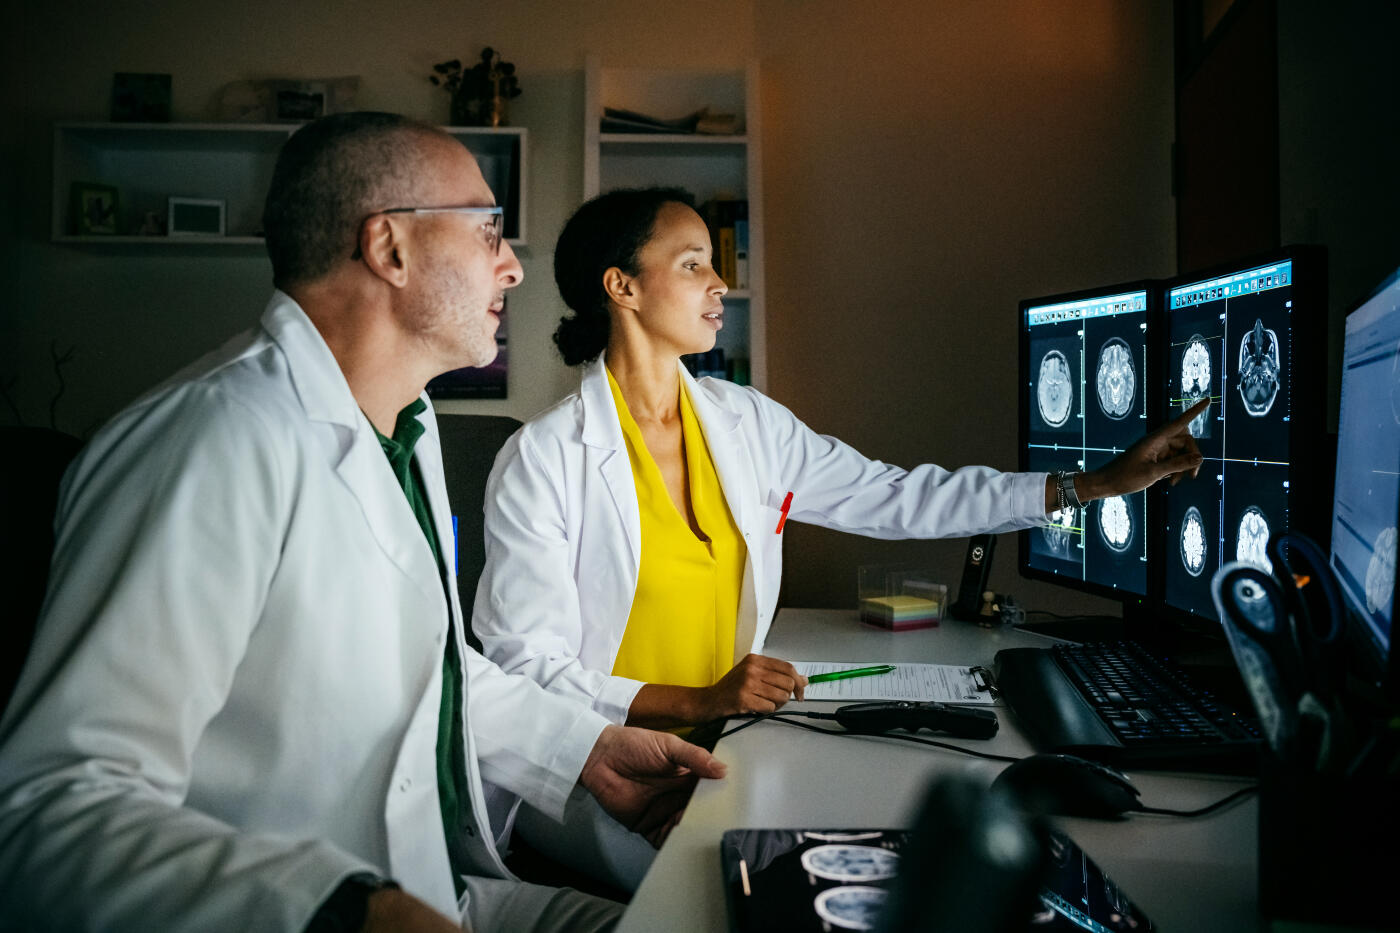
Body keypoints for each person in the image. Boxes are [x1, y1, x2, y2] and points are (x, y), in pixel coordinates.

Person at [0, 118, 726, 933]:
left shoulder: (403, 425)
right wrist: (354, 911)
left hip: (444, 891)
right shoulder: (210, 441)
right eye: (489, 231)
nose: (514, 266)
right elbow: (49, 810)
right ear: (389, 248)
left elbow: (424, 665)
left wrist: (584, 748)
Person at [471, 187, 1208, 888]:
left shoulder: (745, 421)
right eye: (692, 262)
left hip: (730, 745)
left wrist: (1091, 485)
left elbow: (897, 495)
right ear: (621, 287)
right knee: (756, 881)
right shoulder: (542, 459)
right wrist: (696, 698)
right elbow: (523, 666)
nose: (719, 281)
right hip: (601, 769)